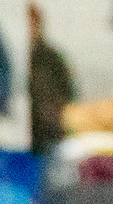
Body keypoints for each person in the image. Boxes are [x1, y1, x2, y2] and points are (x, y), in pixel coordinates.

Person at [27, 2, 78, 157]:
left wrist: (53, 112)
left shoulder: (51, 57)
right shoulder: (16, 60)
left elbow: (69, 92)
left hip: (49, 133)